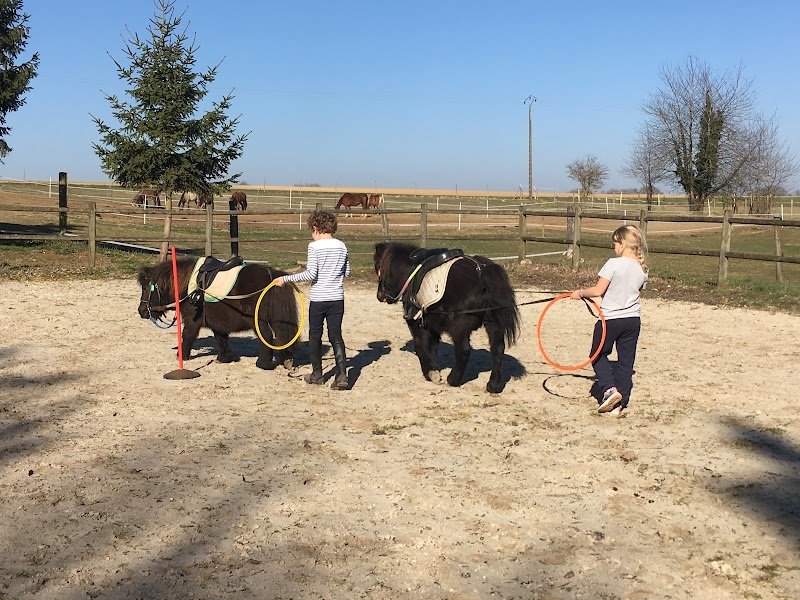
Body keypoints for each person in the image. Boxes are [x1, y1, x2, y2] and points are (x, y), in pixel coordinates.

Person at [570, 224, 648, 417]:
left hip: (610, 320)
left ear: (622, 244)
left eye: (615, 243)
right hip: (632, 320)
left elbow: (598, 291)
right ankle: (621, 402)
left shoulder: (613, 264)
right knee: (626, 362)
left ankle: (609, 390)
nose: (614, 248)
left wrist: (580, 293)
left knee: (597, 355)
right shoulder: (642, 268)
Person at [273, 209, 351, 390]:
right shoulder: (341, 246)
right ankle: (342, 375)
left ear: (316, 228)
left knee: (315, 335)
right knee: (336, 335)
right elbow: (347, 272)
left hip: (319, 299)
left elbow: (311, 274)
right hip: (337, 298)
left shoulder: (314, 247)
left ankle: (317, 374)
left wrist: (285, 279)